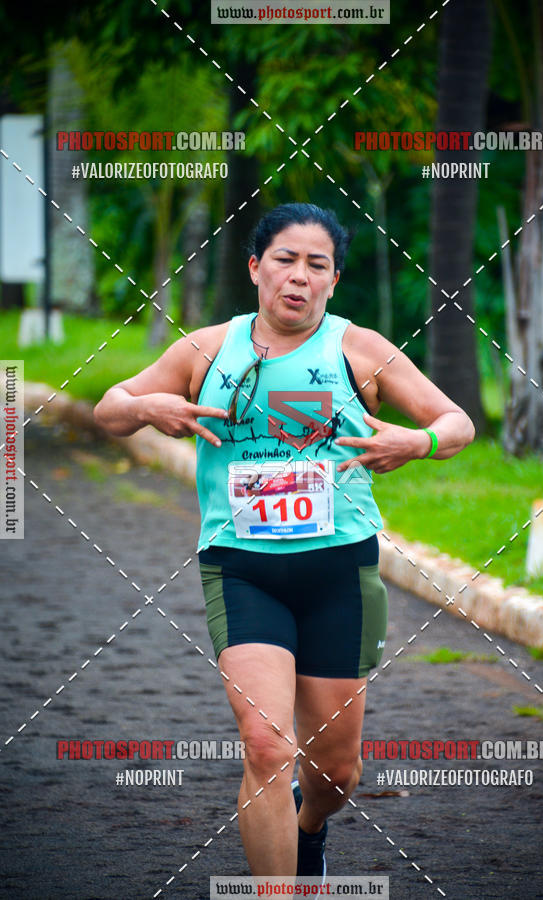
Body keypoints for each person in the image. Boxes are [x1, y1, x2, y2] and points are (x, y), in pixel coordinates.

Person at [94, 202, 475, 879]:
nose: (299, 276)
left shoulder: (359, 350)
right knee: (268, 748)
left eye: (316, 265)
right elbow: (109, 407)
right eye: (285, 260)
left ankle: (310, 826)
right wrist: (147, 406)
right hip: (242, 569)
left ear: (333, 280)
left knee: (336, 772)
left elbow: (457, 422)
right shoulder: (206, 348)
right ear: (255, 268)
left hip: (339, 571)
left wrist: (418, 441)